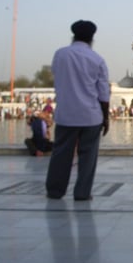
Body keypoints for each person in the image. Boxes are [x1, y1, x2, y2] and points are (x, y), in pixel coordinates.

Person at [45, 20, 110, 200]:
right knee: (87, 158)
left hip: (66, 114)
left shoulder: (60, 55)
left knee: (61, 154)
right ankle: (82, 193)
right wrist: (106, 119)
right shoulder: (97, 59)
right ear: (92, 38)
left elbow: (58, 78)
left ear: (73, 35)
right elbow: (104, 95)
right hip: (91, 116)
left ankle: (55, 191)